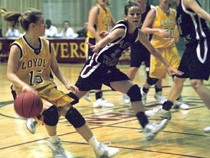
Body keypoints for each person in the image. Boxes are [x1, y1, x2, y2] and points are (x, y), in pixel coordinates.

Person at [1, 8, 119, 158]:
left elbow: (55, 67)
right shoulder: (17, 47)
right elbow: (10, 74)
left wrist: (66, 83)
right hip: (25, 92)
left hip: (46, 86)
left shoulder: (47, 44)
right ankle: (55, 144)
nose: (45, 26)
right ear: (33, 26)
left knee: (72, 112)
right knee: (51, 112)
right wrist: (25, 86)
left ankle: (99, 149)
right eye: (42, 23)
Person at [75, 1, 182, 141]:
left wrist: (167, 66)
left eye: (138, 14)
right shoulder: (121, 29)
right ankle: (45, 114)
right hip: (96, 67)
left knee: (134, 91)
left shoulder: (139, 34)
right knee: (72, 99)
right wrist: (98, 45)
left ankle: (147, 127)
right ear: (126, 16)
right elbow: (108, 38)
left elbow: (153, 50)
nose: (136, 16)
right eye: (132, 14)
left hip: (109, 69)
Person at [144, 0, 210, 130]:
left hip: (201, 43)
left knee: (196, 82)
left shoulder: (187, 1)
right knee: (178, 79)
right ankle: (165, 109)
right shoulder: (176, 9)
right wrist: (174, 37)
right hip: (190, 47)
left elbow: (200, 12)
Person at [140, 0, 189, 111]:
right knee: (154, 78)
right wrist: (158, 30)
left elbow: (176, 26)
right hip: (157, 48)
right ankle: (144, 90)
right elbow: (143, 29)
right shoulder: (154, 11)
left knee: (177, 75)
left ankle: (178, 99)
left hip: (171, 48)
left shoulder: (174, 12)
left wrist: (175, 37)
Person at [121, 0, 165, 104]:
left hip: (150, 43)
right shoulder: (131, 9)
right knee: (133, 67)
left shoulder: (152, 10)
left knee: (156, 69)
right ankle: (125, 91)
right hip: (136, 44)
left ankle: (159, 93)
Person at [83, 0, 116, 108]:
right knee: (94, 68)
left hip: (101, 42)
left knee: (99, 68)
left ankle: (87, 90)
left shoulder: (107, 10)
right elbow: (90, 27)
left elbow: (114, 25)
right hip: (93, 41)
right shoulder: (96, 9)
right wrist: (100, 42)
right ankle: (95, 96)